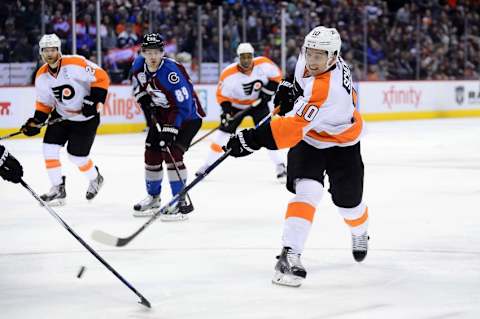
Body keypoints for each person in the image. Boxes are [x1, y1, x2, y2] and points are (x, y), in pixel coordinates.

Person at [225, 27, 369, 287]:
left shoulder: (328, 91)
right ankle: (289, 254)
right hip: (311, 138)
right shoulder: (315, 56)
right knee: (308, 190)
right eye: (309, 53)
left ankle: (360, 232)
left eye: (319, 57)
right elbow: (297, 79)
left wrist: (250, 139)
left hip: (343, 142)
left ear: (333, 57)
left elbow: (289, 129)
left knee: (349, 204)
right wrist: (288, 85)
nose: (312, 61)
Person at [21, 34, 109, 206]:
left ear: (59, 50)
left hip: (86, 118)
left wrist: (94, 99)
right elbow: (44, 104)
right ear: (41, 53)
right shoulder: (41, 76)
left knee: (76, 157)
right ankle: (58, 189)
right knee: (49, 148)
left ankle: (95, 178)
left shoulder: (76, 63)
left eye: (53, 49)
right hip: (61, 116)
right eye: (46, 50)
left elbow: (101, 77)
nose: (50, 53)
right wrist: (36, 121)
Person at [131, 33, 205, 221]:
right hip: (162, 115)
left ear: (163, 52)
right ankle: (154, 198)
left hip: (187, 119)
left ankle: (178, 201)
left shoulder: (171, 73)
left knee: (172, 154)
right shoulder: (138, 65)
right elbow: (137, 86)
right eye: (149, 52)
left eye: (157, 52)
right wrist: (143, 97)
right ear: (143, 52)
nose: (153, 57)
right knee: (152, 153)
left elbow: (184, 106)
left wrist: (171, 129)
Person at [195, 42, 287, 182]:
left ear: (253, 56)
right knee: (222, 135)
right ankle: (206, 166)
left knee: (267, 133)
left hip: (258, 105)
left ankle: (280, 165)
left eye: (248, 56)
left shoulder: (263, 64)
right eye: (243, 57)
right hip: (235, 107)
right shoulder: (228, 74)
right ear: (238, 58)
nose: (246, 60)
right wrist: (226, 112)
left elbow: (277, 78)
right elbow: (222, 96)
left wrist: (266, 94)